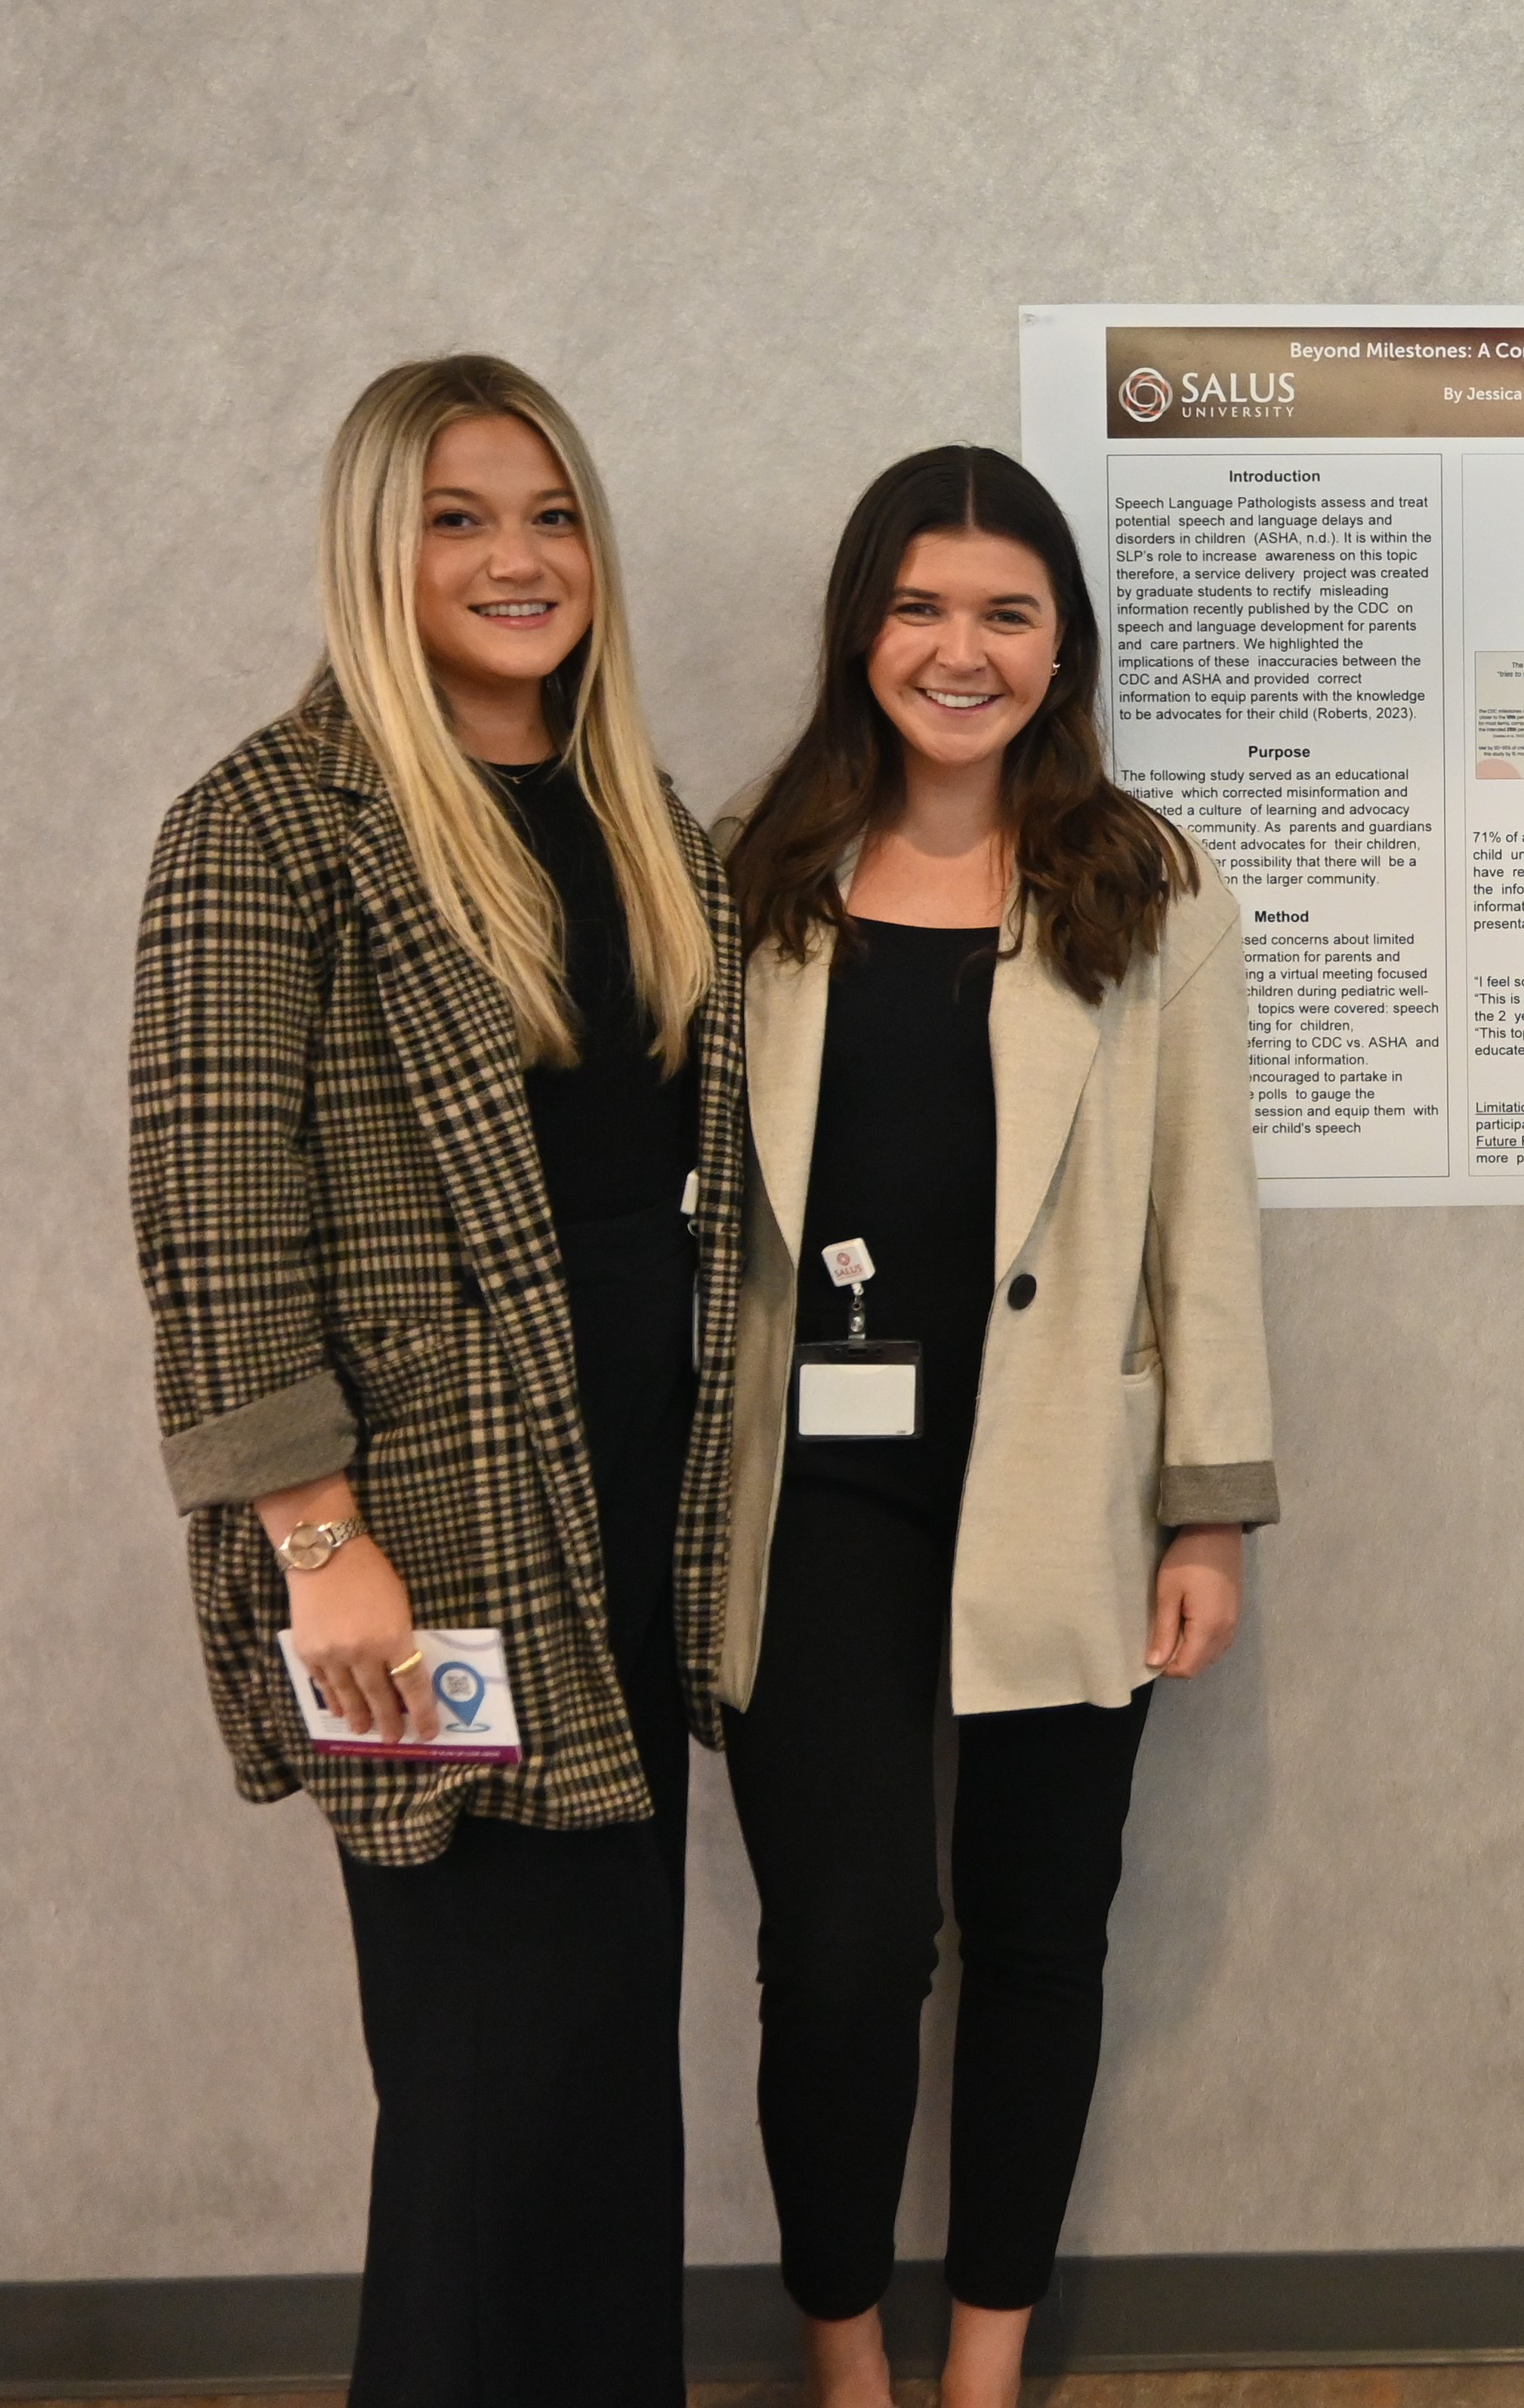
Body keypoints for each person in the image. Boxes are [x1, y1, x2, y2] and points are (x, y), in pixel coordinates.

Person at [128, 355, 741, 2403]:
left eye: (551, 514)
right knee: (487, 2083)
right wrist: (319, 1542)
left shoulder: (638, 816)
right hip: (425, 1531)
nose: (516, 557)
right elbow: (217, 1221)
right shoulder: (265, 824)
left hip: (635, 1497)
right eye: (458, 517)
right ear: (375, 547)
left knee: (604, 2067)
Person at [718, 446, 1276, 2408]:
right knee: (845, 1954)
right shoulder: (748, 877)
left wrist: (1206, 1510)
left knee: (1041, 1939)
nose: (962, 652)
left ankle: (983, 2369)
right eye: (922, 607)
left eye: (1007, 613)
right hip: (819, 1501)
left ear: (1061, 645)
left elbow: (1205, 1218)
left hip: (1066, 1490)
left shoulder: (1149, 887)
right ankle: (844, 2357)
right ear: (861, 629)